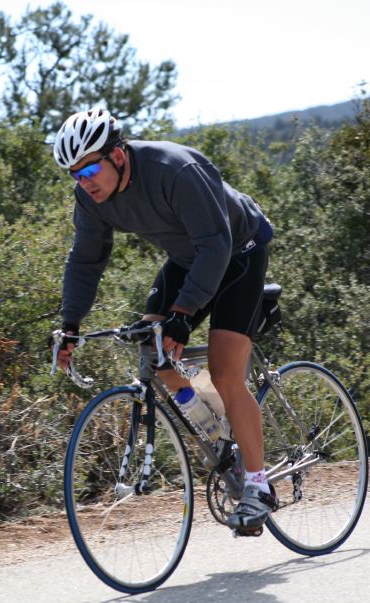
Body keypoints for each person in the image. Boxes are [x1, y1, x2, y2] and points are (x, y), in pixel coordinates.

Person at [52, 108, 276, 533]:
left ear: (118, 155)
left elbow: (217, 246)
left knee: (226, 371)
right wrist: (71, 324)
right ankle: (218, 434)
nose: (85, 181)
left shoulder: (175, 170)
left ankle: (257, 485)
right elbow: (85, 260)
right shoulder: (90, 196)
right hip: (188, 260)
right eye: (75, 175)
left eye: (91, 168)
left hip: (237, 251)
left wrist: (182, 314)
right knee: (152, 353)